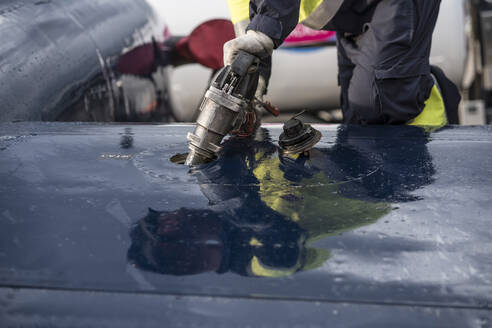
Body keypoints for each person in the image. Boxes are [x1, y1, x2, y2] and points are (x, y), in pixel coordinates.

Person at [224, 0, 460, 125]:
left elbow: (266, 22)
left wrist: (264, 32)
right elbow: (249, 32)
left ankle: (425, 104)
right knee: (358, 113)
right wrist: (257, 79)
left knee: (381, 99)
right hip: (351, 13)